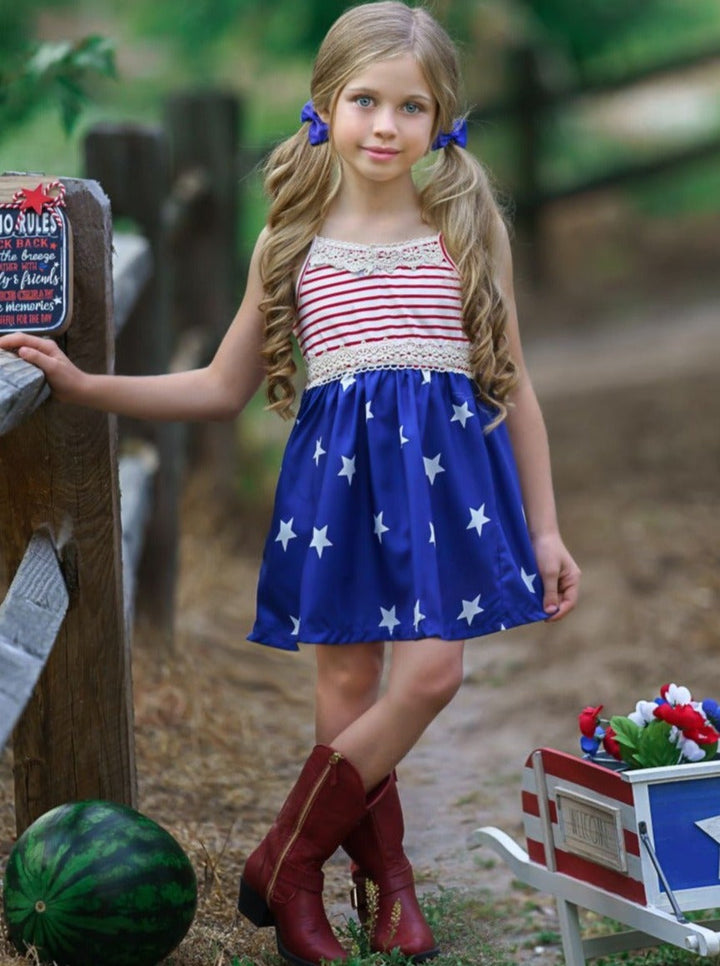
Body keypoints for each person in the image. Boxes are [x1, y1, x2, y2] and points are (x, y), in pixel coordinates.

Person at [0, 3, 581, 964]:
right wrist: (84, 383)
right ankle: (380, 893)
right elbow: (222, 387)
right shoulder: (291, 243)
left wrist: (547, 531)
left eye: (412, 106)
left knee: (433, 672)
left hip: (442, 497)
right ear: (326, 104)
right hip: (336, 499)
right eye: (366, 100)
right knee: (348, 685)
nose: (387, 125)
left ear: (443, 122)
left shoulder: (466, 229)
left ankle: (289, 857)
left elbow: (514, 391)